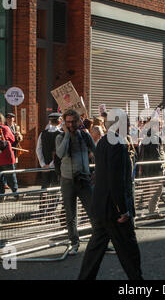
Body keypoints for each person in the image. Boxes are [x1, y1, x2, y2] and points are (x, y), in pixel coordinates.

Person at [78, 123, 143, 280]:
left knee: (95, 250)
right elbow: (116, 180)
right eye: (126, 123)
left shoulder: (103, 142)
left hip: (102, 206)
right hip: (114, 209)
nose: (129, 127)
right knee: (129, 250)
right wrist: (123, 210)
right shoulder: (117, 143)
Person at [56, 109, 96, 255]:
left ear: (79, 121)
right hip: (67, 181)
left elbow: (96, 152)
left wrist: (96, 172)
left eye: (73, 121)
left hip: (84, 180)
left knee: (93, 212)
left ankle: (99, 242)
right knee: (70, 215)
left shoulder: (85, 136)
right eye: (68, 122)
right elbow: (60, 153)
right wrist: (67, 134)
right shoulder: (60, 137)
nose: (71, 124)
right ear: (64, 123)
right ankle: (74, 243)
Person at [36, 112, 62, 220]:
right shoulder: (61, 134)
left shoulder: (43, 133)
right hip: (56, 167)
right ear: (59, 121)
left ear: (50, 121)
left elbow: (38, 149)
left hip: (45, 167)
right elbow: (59, 152)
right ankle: (50, 213)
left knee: (44, 188)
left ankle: (42, 212)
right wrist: (51, 164)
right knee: (55, 190)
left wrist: (43, 164)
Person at [138, 126, 165, 219]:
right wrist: (161, 166)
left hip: (148, 169)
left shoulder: (145, 140)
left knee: (152, 191)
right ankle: (153, 211)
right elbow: (156, 155)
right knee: (156, 191)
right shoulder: (155, 139)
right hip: (155, 169)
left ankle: (152, 210)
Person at [0, 113, 19, 200]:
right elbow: (13, 139)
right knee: (11, 176)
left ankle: (0, 196)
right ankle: (16, 193)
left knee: (0, 178)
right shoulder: (5, 128)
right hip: (7, 157)